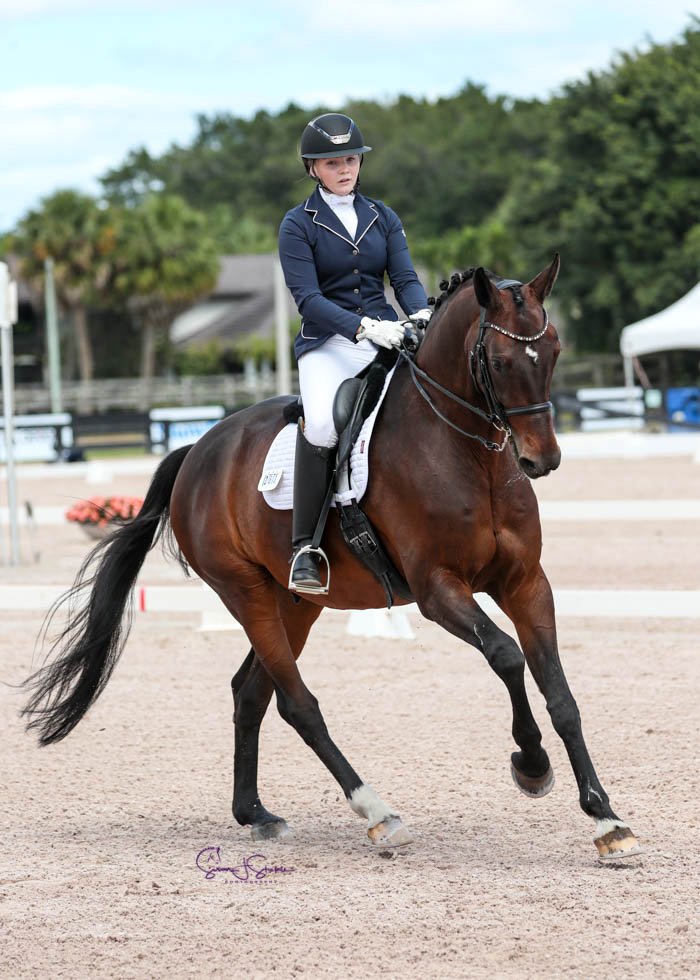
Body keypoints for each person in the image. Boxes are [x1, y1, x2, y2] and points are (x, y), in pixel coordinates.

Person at [278, 112, 431, 593]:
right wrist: (364, 326)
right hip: (329, 344)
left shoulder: (383, 216)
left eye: (350, 159)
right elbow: (309, 300)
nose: (344, 169)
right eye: (332, 162)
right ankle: (305, 547)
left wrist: (421, 315)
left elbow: (403, 279)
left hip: (388, 334)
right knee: (323, 424)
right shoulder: (297, 225)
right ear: (312, 168)